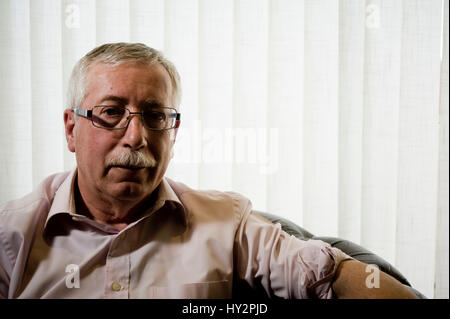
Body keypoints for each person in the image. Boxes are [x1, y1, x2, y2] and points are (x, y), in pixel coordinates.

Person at [0, 42, 417, 299]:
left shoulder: (226, 224)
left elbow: (328, 274)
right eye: (111, 113)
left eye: (155, 116)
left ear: (174, 133)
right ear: (72, 129)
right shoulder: (12, 236)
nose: (136, 137)